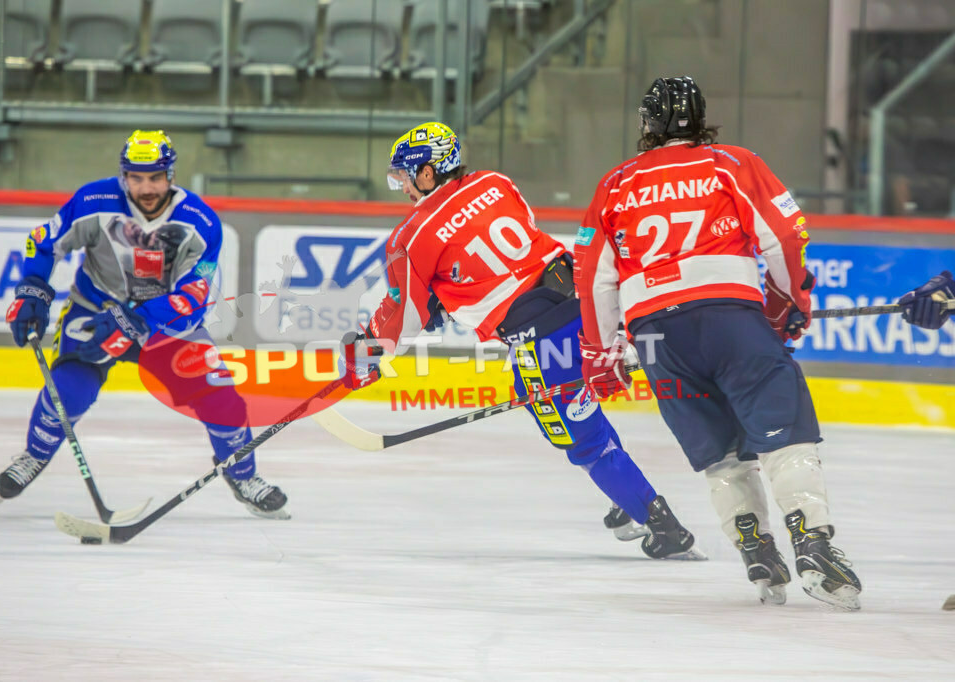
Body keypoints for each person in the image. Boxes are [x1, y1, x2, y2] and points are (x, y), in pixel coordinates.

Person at [342, 121, 703, 560]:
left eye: (404, 176)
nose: (402, 187)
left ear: (427, 173)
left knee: (584, 442)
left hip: (542, 339)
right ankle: (625, 499)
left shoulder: (411, 235)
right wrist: (449, 294)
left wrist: (367, 353)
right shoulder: (495, 182)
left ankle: (664, 528)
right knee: (574, 407)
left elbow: (404, 319)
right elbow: (509, 252)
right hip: (587, 305)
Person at [574, 76, 863, 608]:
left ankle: (757, 551)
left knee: (720, 453)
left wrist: (601, 351)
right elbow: (785, 233)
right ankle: (813, 544)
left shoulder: (615, 184)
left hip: (657, 336)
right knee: (784, 431)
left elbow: (592, 276)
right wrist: (788, 299)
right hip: (730, 318)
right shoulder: (731, 162)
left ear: (647, 124)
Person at [0, 130, 289, 519]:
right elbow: (43, 241)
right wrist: (32, 289)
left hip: (165, 322)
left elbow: (193, 297)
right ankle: (34, 455)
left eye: (155, 177)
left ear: (171, 175)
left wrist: (135, 321)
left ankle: (243, 475)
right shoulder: (94, 201)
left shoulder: (200, 221)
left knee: (221, 399)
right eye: (136, 177)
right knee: (68, 391)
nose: (146, 187)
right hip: (94, 309)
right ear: (124, 176)